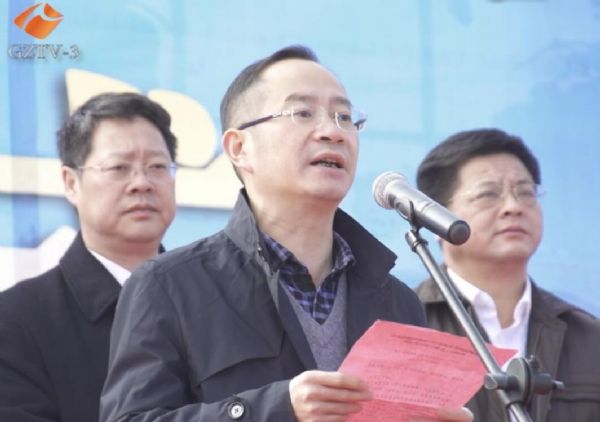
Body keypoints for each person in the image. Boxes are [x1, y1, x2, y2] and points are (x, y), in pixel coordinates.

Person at [100, 46, 472, 422]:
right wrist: (275, 408)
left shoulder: (399, 302)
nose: (332, 132)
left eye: (344, 117)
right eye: (302, 113)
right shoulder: (169, 286)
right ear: (239, 148)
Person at [0, 92, 178, 422]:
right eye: (119, 168)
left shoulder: (214, 300)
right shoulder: (15, 321)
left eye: (156, 167)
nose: (141, 183)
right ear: (71, 183)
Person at [414, 128, 600, 421]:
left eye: (525, 192)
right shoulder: (407, 322)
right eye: (488, 194)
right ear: (435, 219)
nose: (514, 207)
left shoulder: (588, 337)